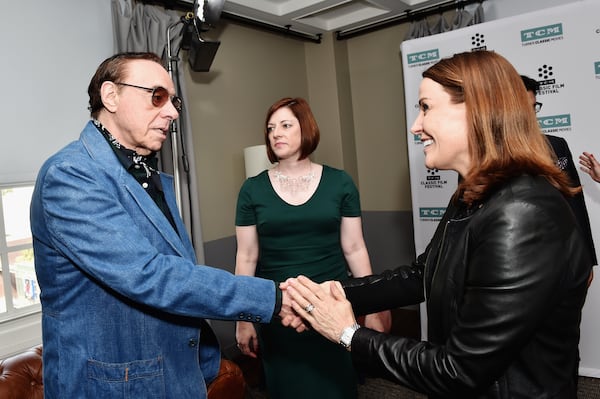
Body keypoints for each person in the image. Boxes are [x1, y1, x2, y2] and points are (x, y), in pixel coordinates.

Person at [283, 51, 593, 398]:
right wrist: (332, 294)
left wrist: (347, 333)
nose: (416, 125)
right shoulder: (472, 194)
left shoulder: (522, 212)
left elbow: (459, 370)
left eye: (426, 107)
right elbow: (421, 275)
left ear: (476, 110)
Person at [30, 52, 298, 399]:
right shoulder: (69, 175)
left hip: (173, 374)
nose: (171, 112)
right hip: (114, 387)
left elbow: (178, 269)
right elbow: (151, 274)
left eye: (174, 101)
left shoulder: (148, 175)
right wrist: (274, 298)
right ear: (110, 96)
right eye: (157, 96)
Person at [234, 97, 391, 398]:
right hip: (279, 311)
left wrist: (374, 306)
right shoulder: (252, 189)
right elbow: (246, 257)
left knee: (337, 387)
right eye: (270, 128)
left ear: (306, 128)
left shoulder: (340, 183)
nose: (275, 133)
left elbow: (355, 248)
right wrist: (244, 319)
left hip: (331, 306)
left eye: (285, 125)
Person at [521, 75, 597, 283]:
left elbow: (575, 203)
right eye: (523, 107)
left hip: (563, 261)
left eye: (534, 107)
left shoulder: (557, 146)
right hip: (517, 267)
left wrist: (587, 257)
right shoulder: (484, 157)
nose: (531, 115)